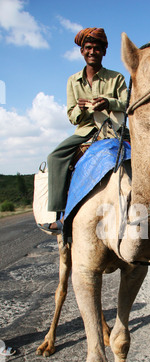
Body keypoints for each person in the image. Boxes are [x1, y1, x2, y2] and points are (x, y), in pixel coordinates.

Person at [38, 28, 128, 234]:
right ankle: (60, 215)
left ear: (104, 52)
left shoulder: (117, 78)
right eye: (88, 48)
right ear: (81, 51)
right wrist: (81, 107)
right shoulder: (72, 80)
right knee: (55, 157)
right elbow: (71, 116)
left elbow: (127, 104)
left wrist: (108, 102)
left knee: (146, 153)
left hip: (113, 129)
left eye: (97, 48)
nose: (92, 51)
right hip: (85, 130)